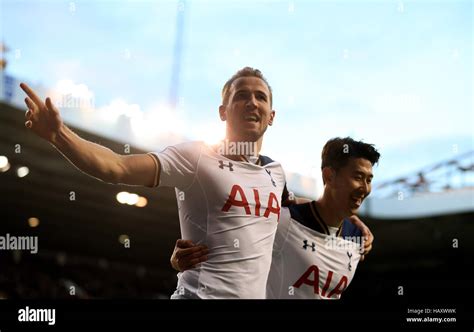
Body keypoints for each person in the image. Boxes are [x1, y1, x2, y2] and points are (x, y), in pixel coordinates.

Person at [20, 67, 372, 299]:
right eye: (241, 95)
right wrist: (59, 135)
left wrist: (352, 222)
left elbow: (307, 215)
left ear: (272, 116)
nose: (252, 102)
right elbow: (117, 167)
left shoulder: (274, 173)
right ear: (223, 111)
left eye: (261, 97)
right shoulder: (195, 157)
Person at [171, 137, 380, 299]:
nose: (365, 188)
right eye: (357, 177)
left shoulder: (358, 239)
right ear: (328, 176)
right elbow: (229, 244)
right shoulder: (283, 221)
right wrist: (183, 260)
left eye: (369, 179)